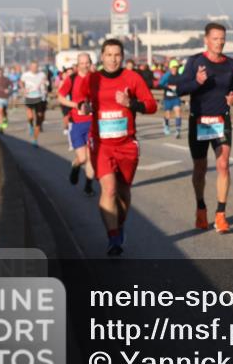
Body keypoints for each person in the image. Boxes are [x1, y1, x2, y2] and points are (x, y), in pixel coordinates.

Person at [87, 39, 157, 255]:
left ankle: (118, 224)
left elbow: (152, 105)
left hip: (127, 144)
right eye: (108, 54)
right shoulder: (93, 79)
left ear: (122, 57)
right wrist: (83, 105)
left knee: (124, 193)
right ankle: (114, 238)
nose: (113, 59)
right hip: (102, 144)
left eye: (117, 55)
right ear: (102, 56)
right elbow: (80, 99)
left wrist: (130, 104)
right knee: (109, 188)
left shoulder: (132, 78)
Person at [176, 23, 233, 233]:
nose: (220, 42)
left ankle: (221, 214)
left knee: (223, 165)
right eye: (215, 38)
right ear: (206, 40)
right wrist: (197, 81)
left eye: (222, 38)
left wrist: (232, 97)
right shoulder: (195, 61)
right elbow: (180, 89)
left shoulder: (230, 64)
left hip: (221, 119)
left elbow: (232, 89)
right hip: (199, 121)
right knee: (200, 168)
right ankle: (201, 207)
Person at [58, 53, 97, 195]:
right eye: (82, 63)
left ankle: (88, 186)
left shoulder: (95, 77)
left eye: (87, 62)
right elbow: (60, 98)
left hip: (93, 122)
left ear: (90, 62)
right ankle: (75, 166)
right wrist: (76, 105)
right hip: (77, 123)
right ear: (78, 64)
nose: (85, 65)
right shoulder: (72, 78)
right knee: (82, 158)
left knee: (91, 156)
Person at [20, 61, 49, 148]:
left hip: (39, 97)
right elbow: (21, 82)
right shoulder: (25, 75)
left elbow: (46, 84)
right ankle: (30, 124)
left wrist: (45, 85)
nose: (34, 68)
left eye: (36, 67)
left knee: (39, 118)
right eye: (32, 67)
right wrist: (23, 88)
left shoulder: (42, 74)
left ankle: (35, 140)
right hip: (29, 97)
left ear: (38, 67)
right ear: (30, 67)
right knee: (30, 117)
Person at [158, 60, 183, 138]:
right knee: (168, 115)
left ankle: (178, 130)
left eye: (176, 67)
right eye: (173, 67)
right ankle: (166, 125)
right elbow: (160, 85)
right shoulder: (167, 75)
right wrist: (167, 88)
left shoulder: (179, 76)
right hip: (168, 98)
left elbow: (183, 84)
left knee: (178, 111)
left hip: (176, 97)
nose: (175, 69)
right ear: (170, 68)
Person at [0, 67, 13, 133]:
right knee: (0, 111)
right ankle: (1, 127)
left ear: (2, 72)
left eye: (0, 71)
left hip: (5, 97)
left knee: (4, 113)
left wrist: (8, 90)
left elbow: (11, 85)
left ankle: (5, 122)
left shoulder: (6, 79)